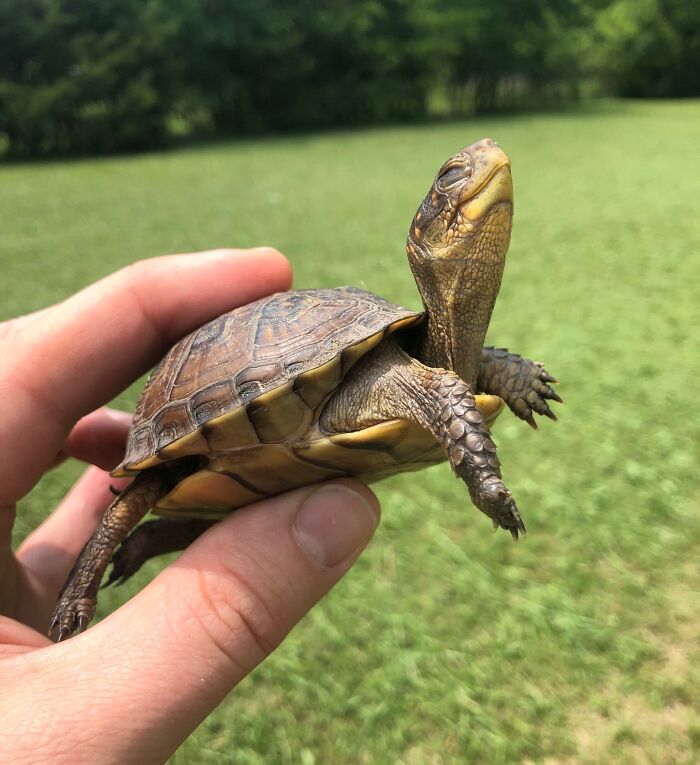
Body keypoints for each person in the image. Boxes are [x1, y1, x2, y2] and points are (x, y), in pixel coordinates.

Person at [0, 248, 380, 764]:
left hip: (273, 462)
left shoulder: (406, 366)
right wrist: (75, 594)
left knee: (216, 509)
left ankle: (154, 539)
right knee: (143, 494)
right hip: (221, 431)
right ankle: (80, 593)